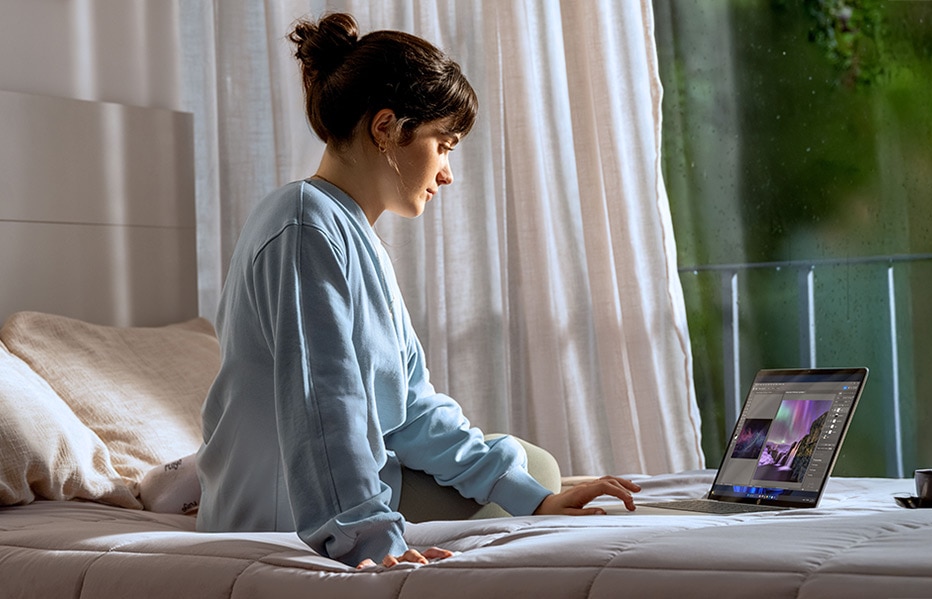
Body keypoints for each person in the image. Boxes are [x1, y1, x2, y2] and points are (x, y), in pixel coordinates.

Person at [196, 12, 639, 570]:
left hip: (322, 490)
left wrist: (538, 499)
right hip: (283, 512)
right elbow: (322, 404)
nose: (448, 172)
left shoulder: (349, 233)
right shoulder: (304, 227)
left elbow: (407, 410)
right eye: (444, 144)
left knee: (533, 473)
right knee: (535, 466)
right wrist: (369, 542)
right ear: (386, 127)